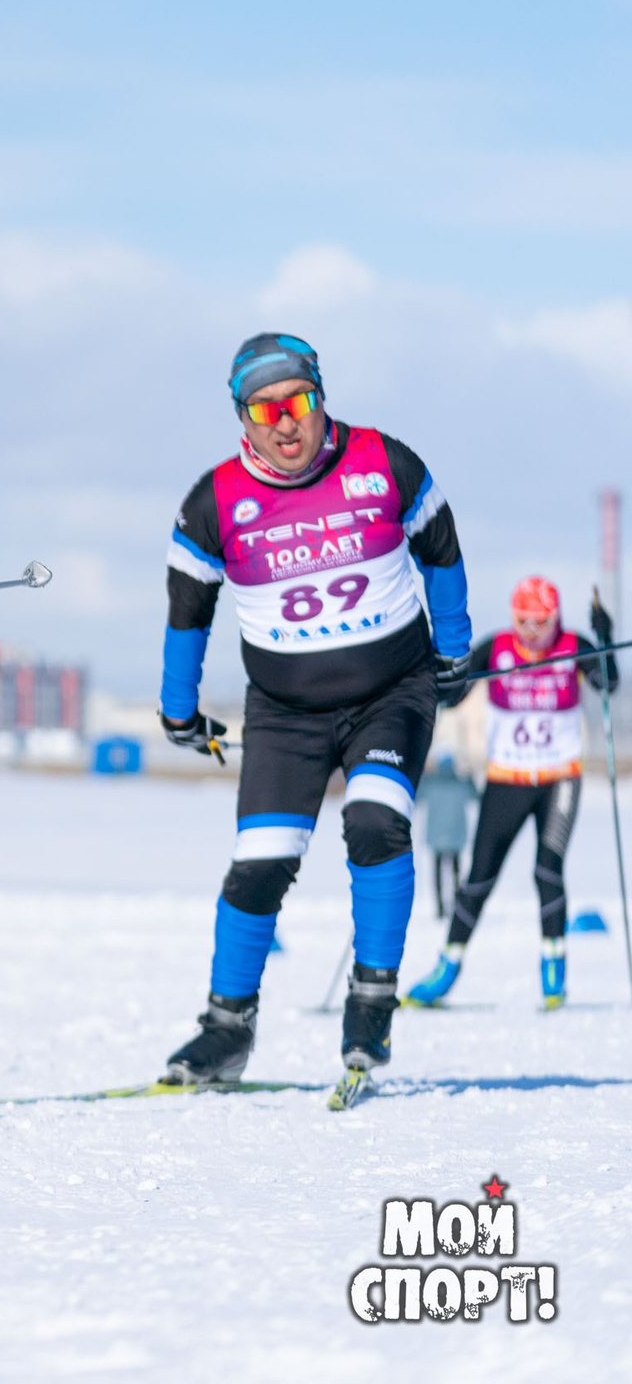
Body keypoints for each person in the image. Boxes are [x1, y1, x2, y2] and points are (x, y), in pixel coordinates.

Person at [153, 333, 470, 1087]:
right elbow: (187, 613)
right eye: (266, 410)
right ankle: (225, 1031)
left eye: (297, 401)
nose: (285, 423)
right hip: (285, 714)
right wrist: (178, 709)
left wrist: (453, 651)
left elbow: (443, 552)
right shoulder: (213, 502)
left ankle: (371, 1004)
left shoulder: (386, 462)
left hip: (390, 693)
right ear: (243, 419)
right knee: (259, 866)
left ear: (321, 397)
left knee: (373, 822)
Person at [406, 578, 616, 1010]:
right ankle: (447, 967)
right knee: (479, 876)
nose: (533, 632)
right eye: (524, 621)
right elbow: (452, 693)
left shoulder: (572, 645)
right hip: (507, 779)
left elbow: (608, 684)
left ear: (555, 620)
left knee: (547, 870)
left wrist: (604, 639)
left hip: (559, 777)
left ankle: (553, 972)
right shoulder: (497, 648)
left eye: (542, 622)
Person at [414, 754, 475, 920]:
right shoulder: (461, 784)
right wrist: (470, 776)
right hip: (456, 835)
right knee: (456, 870)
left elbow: (416, 797)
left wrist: (423, 773)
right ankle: (456, 903)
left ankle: (440, 906)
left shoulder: (430, 784)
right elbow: (476, 795)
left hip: (436, 836)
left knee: (437, 872)